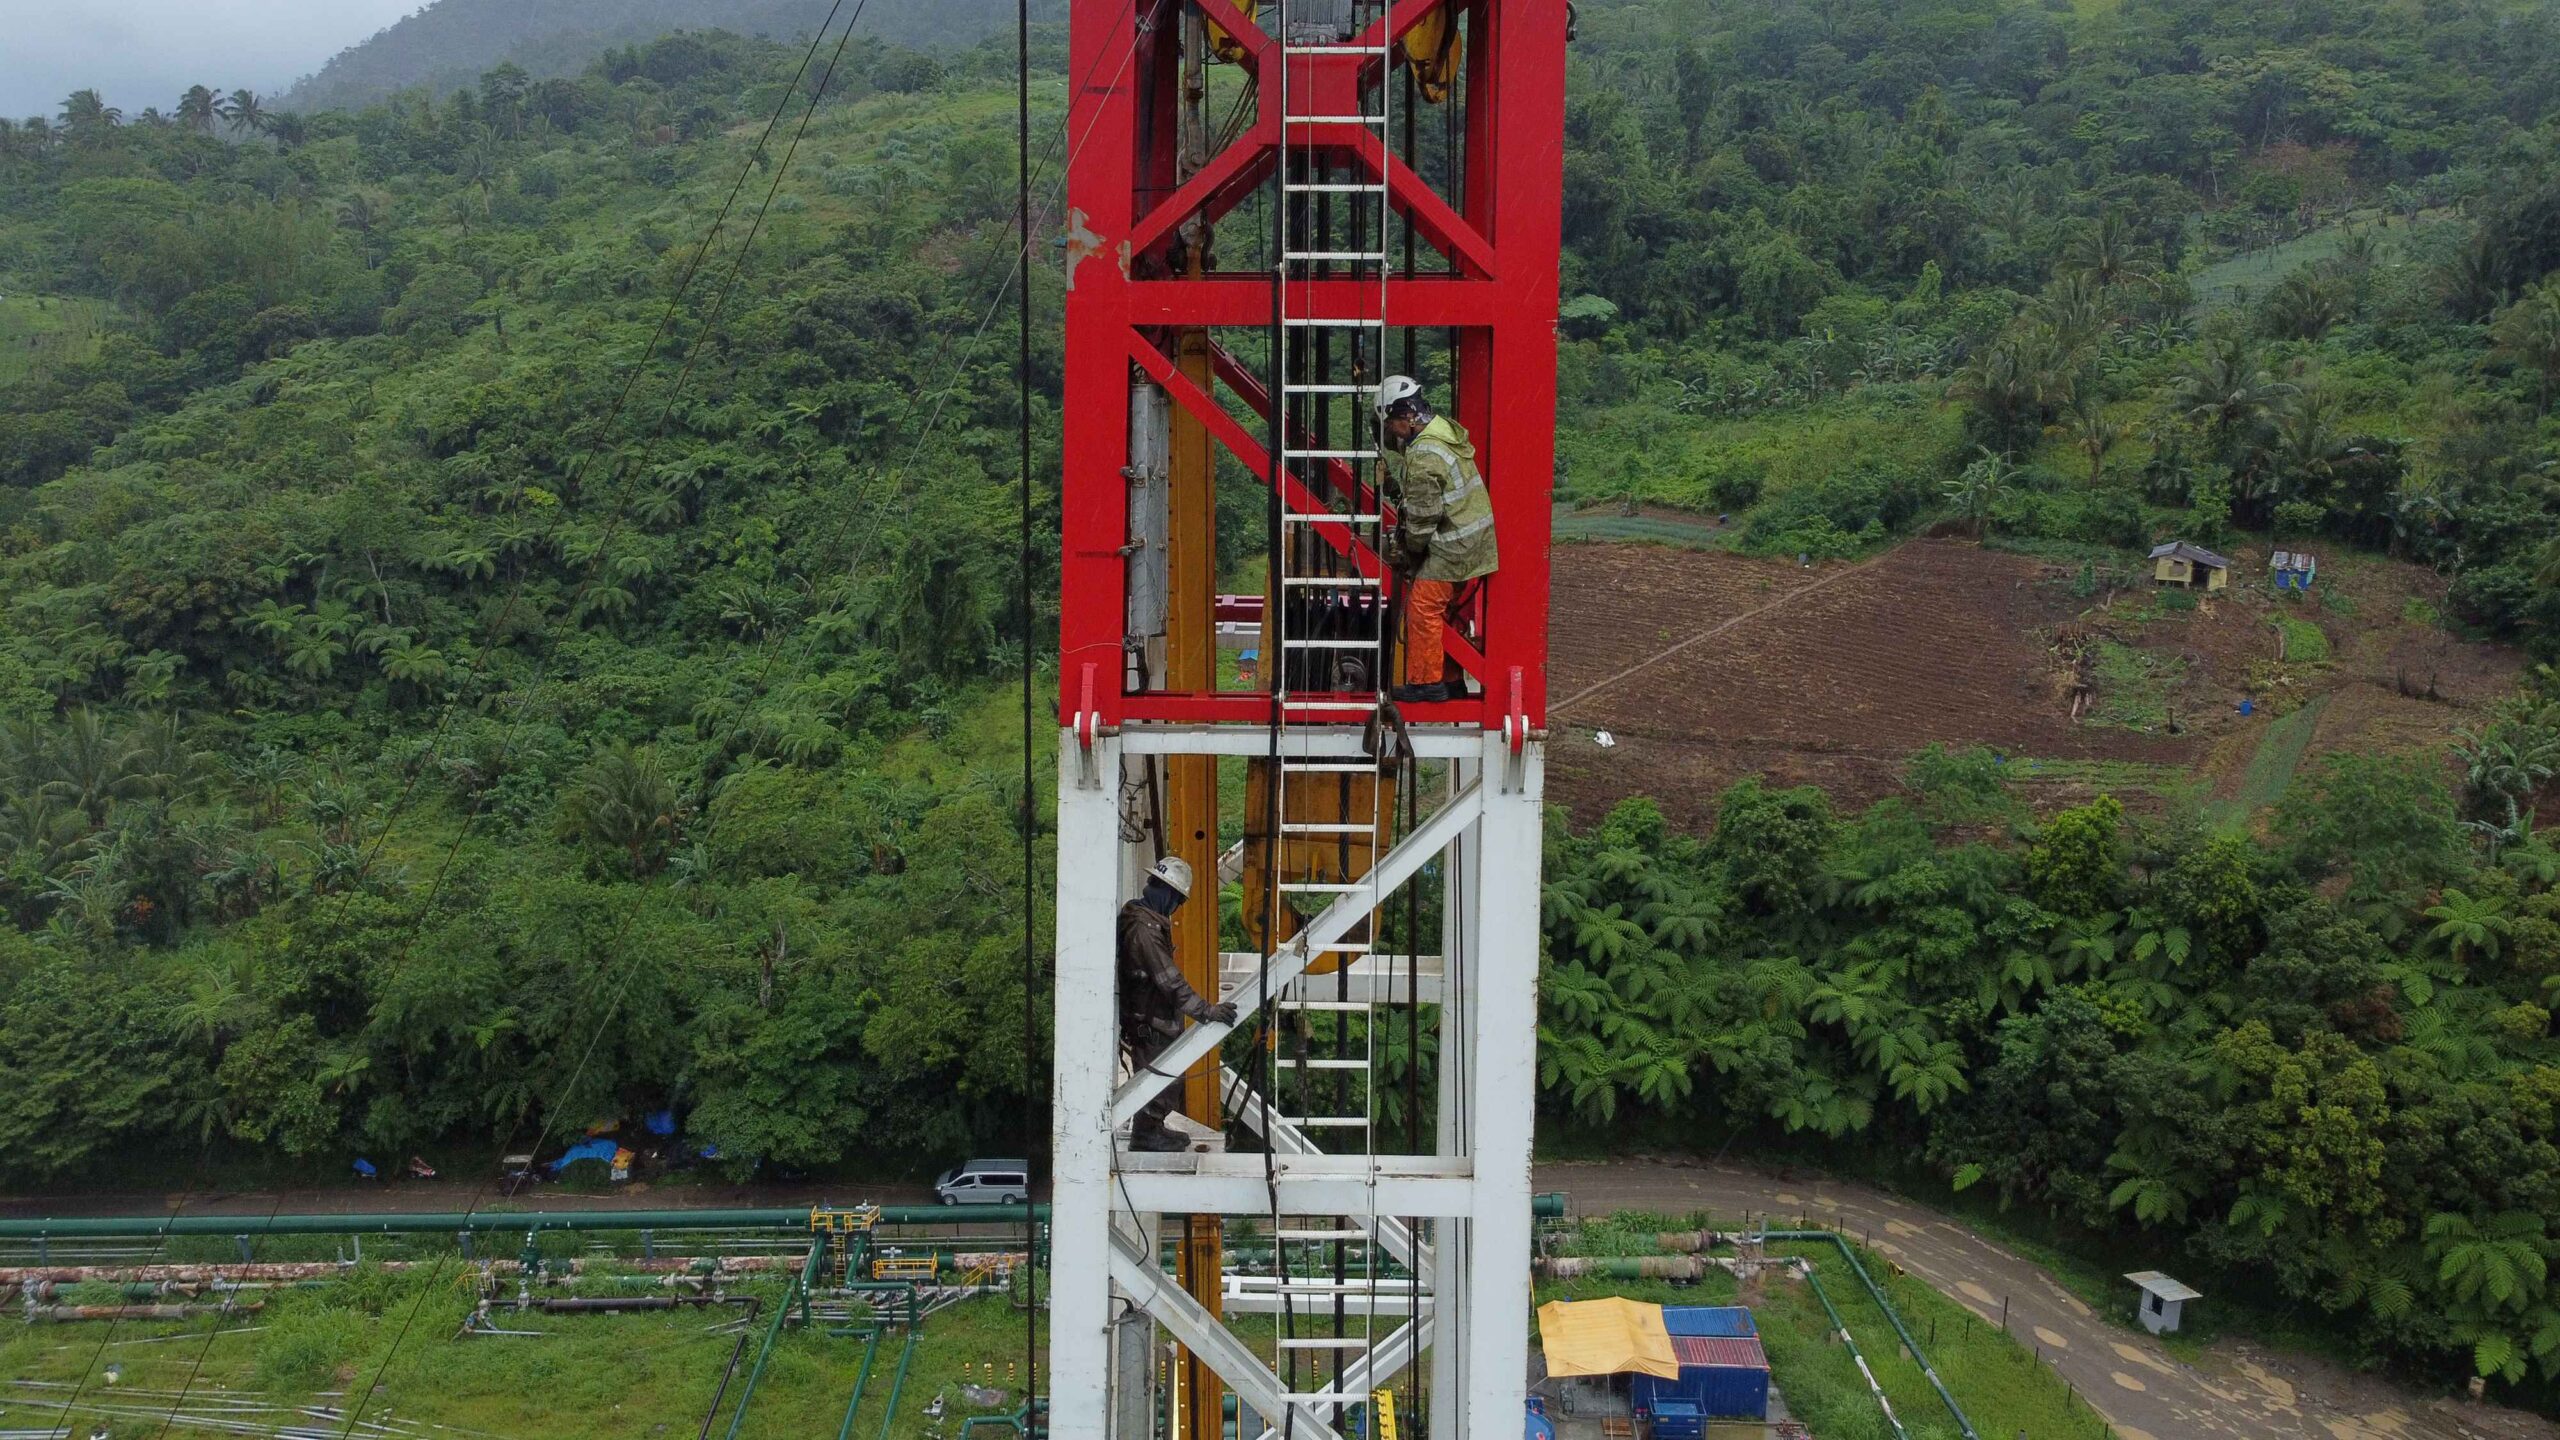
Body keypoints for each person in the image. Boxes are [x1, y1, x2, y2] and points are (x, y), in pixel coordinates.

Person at [1378, 376, 1497, 703]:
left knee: (1422, 609)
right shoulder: (1437, 430)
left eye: (1390, 422)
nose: (1391, 430)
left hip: (1456, 544)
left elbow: (1423, 518)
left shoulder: (1426, 457)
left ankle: (1426, 683)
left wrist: (1411, 552)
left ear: (1405, 416)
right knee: (1443, 612)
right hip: (1469, 539)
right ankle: (1451, 681)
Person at [1118, 855, 1238, 1153]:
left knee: (1162, 1076)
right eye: (1179, 901)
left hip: (1148, 1014)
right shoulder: (1144, 930)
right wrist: (1206, 1011)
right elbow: (1169, 980)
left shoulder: (1141, 917)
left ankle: (1152, 1129)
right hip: (1150, 1019)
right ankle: (1146, 1135)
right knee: (1163, 1078)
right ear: (1168, 893)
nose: (1177, 908)